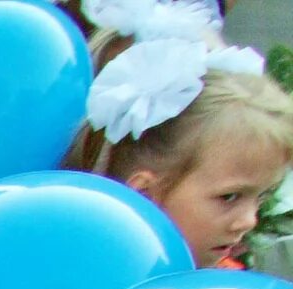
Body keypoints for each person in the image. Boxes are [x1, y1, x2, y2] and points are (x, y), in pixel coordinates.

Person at [74, 27, 293, 269]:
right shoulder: (90, 275)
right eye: (229, 197)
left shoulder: (224, 287)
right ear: (144, 194)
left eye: (261, 197)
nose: (249, 220)